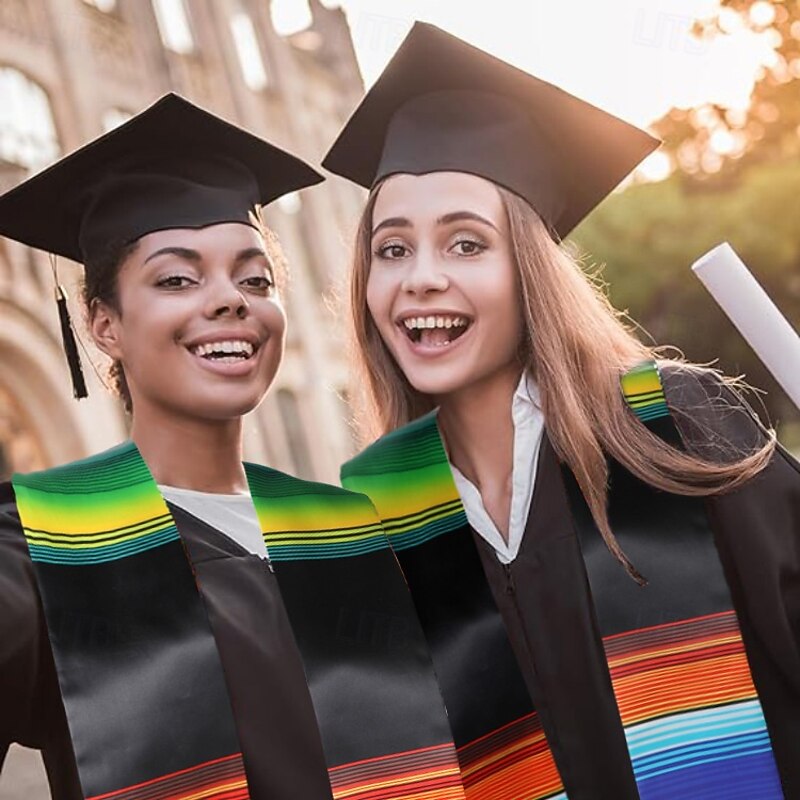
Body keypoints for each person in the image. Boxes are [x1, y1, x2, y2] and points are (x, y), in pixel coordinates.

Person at [325, 22, 800, 800]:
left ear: (531, 269)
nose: (420, 278)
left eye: (466, 244)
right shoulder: (378, 518)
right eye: (392, 249)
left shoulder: (670, 426)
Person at [0, 94, 462, 800]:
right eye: (176, 279)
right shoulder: (44, 548)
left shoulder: (352, 528)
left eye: (255, 279)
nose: (230, 300)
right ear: (103, 325)